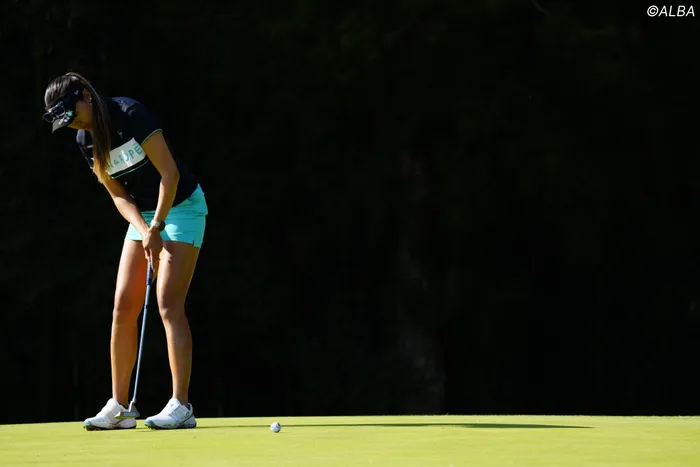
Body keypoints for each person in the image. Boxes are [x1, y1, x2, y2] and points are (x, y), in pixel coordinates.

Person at [42, 72, 207, 430]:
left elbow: (170, 174)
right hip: (143, 217)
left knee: (167, 303)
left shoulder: (130, 115)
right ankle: (119, 407)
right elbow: (117, 193)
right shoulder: (85, 141)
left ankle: (181, 406)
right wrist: (146, 230)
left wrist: (158, 226)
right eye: (68, 123)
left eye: (75, 115)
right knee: (123, 306)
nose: (75, 125)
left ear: (86, 96)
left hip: (182, 206)